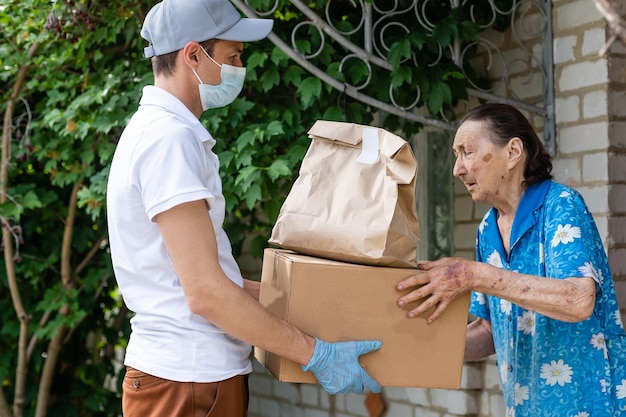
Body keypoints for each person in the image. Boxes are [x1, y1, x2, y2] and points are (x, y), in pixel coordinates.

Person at [106, 1, 382, 416]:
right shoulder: (168, 140)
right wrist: (315, 353)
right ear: (193, 54)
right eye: (234, 56)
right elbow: (206, 294)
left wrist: (330, 303)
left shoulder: (163, 133)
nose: (240, 67)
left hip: (189, 377)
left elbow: (212, 282)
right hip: (188, 380)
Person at [395, 103, 626, 416]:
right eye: (455, 154)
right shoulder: (486, 231)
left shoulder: (561, 205)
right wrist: (415, 342)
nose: (457, 168)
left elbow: (577, 300)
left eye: (467, 151)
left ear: (513, 152)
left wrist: (474, 275)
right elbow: (491, 332)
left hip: (591, 405)